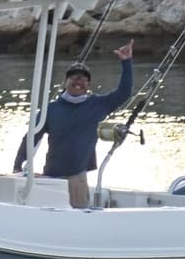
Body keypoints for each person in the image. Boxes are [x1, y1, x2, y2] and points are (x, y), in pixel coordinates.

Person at [14, 47, 134, 209]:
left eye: (84, 79)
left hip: (77, 178)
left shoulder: (98, 105)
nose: (78, 81)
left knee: (80, 216)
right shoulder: (50, 109)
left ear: (89, 85)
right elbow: (31, 138)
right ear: (65, 82)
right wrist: (18, 166)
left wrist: (126, 62)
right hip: (50, 178)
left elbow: (124, 92)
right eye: (74, 77)